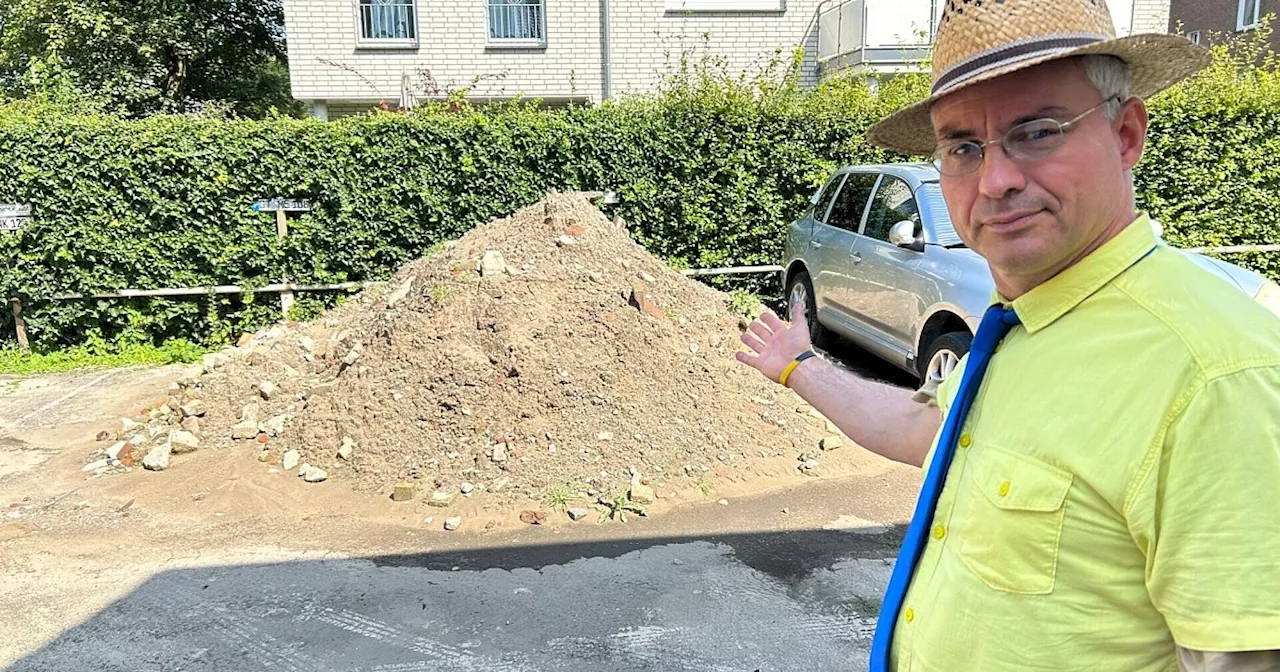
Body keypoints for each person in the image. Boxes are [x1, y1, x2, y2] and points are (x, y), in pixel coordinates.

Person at [735, 0, 1280, 670]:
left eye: (1039, 131)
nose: (994, 180)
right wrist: (801, 366)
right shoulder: (1022, 323)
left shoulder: (1218, 377)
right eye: (964, 147)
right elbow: (929, 433)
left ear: (1127, 135)